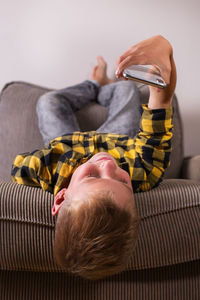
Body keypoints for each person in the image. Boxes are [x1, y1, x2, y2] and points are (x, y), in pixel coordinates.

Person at [11, 35, 176, 280]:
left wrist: (54, 164)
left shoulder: (46, 169)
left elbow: (18, 167)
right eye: (122, 181)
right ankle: (106, 85)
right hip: (116, 137)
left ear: (61, 198)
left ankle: (92, 84)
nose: (107, 164)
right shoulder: (143, 172)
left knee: (48, 101)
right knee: (127, 89)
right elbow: (158, 125)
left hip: (67, 141)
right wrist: (163, 78)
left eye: (92, 176)